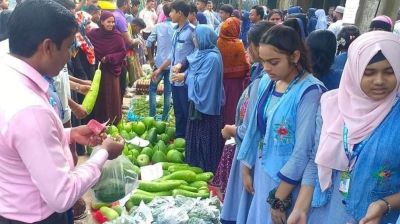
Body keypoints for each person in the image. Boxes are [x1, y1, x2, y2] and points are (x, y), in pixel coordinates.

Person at [0, 1, 124, 223]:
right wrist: (104, 153)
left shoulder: (7, 73)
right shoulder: (29, 108)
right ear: (47, 47)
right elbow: (62, 195)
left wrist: (70, 133)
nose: (69, 56)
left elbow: (19, 141)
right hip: (36, 216)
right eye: (68, 47)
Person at [288, 31, 400, 224]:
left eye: (389, 72)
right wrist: (300, 208)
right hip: (324, 213)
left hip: (371, 218)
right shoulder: (332, 105)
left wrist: (386, 204)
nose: (380, 80)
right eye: (369, 72)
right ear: (354, 70)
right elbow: (315, 160)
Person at [237, 25, 325, 224]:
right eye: (263, 61)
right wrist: (246, 167)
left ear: (294, 56)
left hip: (287, 184)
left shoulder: (310, 93)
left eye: (274, 62)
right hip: (262, 170)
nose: (266, 68)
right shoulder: (268, 83)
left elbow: (304, 151)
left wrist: (279, 198)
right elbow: (254, 129)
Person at [219, 21, 275, 224]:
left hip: (255, 156)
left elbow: (255, 127)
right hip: (250, 154)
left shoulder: (266, 81)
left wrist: (233, 130)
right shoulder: (263, 76)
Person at [173, 24, 224, 173]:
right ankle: (195, 161)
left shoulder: (213, 58)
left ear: (204, 38)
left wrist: (185, 76)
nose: (194, 39)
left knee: (206, 134)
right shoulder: (200, 52)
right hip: (196, 100)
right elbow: (189, 60)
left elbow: (204, 81)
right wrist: (180, 66)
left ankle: (207, 165)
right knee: (194, 131)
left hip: (207, 104)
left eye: (196, 37)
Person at [152, 0, 195, 138]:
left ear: (180, 13)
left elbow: (195, 56)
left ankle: (187, 139)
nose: (169, 14)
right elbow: (172, 55)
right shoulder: (176, 31)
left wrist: (184, 69)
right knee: (178, 111)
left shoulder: (192, 32)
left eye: (171, 11)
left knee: (186, 111)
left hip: (185, 80)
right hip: (174, 78)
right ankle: (179, 137)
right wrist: (160, 69)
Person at [87, 11, 127, 124]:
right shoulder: (93, 34)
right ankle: (99, 121)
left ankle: (113, 122)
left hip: (112, 71)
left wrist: (109, 57)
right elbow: (86, 44)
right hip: (98, 71)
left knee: (112, 96)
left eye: (113, 22)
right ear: (102, 22)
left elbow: (123, 52)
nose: (111, 24)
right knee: (100, 97)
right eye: (108, 22)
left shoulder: (117, 36)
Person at [217, 17, 250, 125]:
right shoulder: (238, 45)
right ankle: (230, 130)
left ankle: (220, 129)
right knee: (232, 107)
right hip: (235, 83)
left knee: (221, 106)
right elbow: (245, 66)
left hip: (220, 82)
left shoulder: (217, 43)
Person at [146, 2, 173, 121]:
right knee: (168, 92)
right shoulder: (177, 27)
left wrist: (151, 59)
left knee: (152, 89)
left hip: (159, 64)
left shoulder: (158, 26)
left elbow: (148, 43)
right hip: (172, 65)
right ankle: (165, 118)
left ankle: (152, 116)